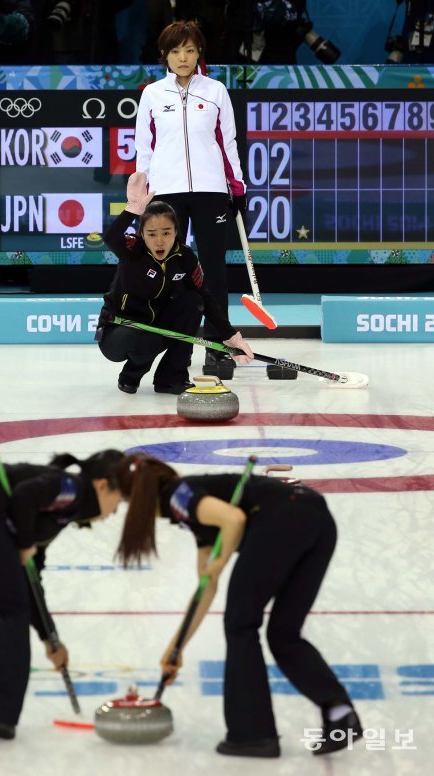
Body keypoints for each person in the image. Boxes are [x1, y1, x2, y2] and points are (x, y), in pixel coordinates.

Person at [110, 451, 363, 758]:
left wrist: (221, 560)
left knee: (240, 623)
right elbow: (206, 587)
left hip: (283, 519)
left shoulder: (179, 495)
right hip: (316, 519)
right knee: (283, 633)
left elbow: (234, 519)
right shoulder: (189, 507)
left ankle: (253, 734)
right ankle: (339, 714)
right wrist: (176, 648)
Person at [0, 449, 123, 749]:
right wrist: (25, 542)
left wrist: (49, 638)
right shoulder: (72, 488)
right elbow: (25, 496)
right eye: (119, 501)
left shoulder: (57, 510)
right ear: (101, 485)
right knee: (11, 608)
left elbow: (29, 582)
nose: (115, 511)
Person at [134, 19, 247, 381]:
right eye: (175, 51)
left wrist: (238, 186)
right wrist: (143, 194)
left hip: (211, 190)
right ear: (164, 55)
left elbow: (227, 143)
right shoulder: (152, 94)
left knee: (212, 269)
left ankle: (217, 348)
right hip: (166, 193)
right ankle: (173, 354)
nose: (183, 58)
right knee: (172, 272)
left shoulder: (215, 91)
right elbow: (144, 150)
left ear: (200, 53)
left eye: (190, 50)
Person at [96, 171, 253, 395]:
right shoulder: (132, 250)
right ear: (141, 234)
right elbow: (111, 237)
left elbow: (206, 300)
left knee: (193, 300)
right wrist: (131, 210)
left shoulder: (185, 258)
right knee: (146, 339)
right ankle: (131, 375)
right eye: (151, 234)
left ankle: (171, 378)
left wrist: (230, 336)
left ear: (176, 232)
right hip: (118, 331)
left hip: (155, 327)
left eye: (166, 233)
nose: (159, 241)